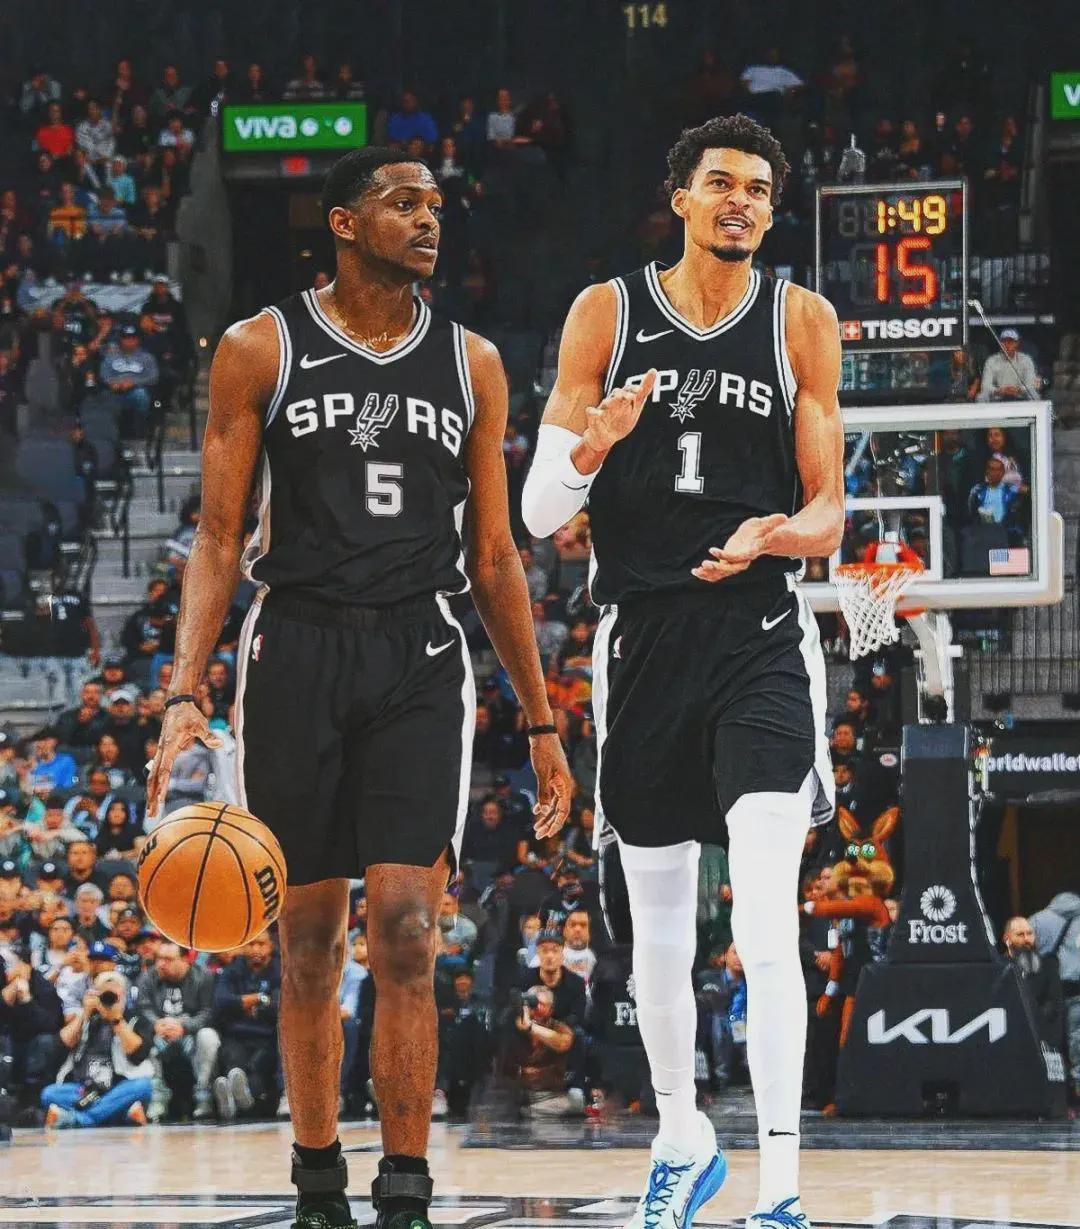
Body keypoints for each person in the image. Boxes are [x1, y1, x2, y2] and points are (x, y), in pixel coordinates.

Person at [145, 146, 572, 1229]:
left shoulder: (473, 362)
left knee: (409, 930)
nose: (429, 220)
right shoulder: (260, 346)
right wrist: (184, 690)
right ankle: (317, 1180)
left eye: (436, 205)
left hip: (418, 652)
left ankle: (407, 1192)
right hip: (295, 645)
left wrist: (541, 717)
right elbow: (219, 534)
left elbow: (495, 555)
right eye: (403, 203)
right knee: (306, 942)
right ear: (343, 221)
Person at [522, 113, 842, 1229]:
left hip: (760, 636)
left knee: (765, 918)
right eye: (721, 182)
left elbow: (830, 511)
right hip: (642, 641)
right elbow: (538, 511)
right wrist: (593, 444)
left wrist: (778, 534)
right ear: (681, 197)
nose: (741, 199)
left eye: (758, 187)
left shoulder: (799, 319)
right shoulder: (606, 313)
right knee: (657, 941)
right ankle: (681, 1137)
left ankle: (782, 1190)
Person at [41, 968, 153, 1127]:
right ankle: (118, 1113)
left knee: (143, 1086)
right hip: (84, 1090)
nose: (109, 999)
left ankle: (78, 1120)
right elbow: (61, 1044)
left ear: (124, 995)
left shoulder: (134, 1019)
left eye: (114, 995)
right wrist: (84, 1014)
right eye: (105, 994)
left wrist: (116, 1019)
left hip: (118, 1086)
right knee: (49, 1093)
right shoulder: (88, 1018)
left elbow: (137, 1054)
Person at [136, 941, 219, 1121]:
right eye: (159, 958)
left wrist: (185, 1026)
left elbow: (208, 1012)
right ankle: (158, 1098)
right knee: (142, 1037)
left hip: (190, 1033)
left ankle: (203, 1096)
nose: (160, 964)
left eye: (168, 959)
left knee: (209, 1036)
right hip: (160, 1032)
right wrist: (156, 1024)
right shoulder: (148, 977)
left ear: (185, 959)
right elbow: (143, 1008)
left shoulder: (204, 977)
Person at [1003, 916, 1064, 1050]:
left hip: (1042, 1041)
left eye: (1030, 934)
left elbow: (1054, 1004)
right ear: (1007, 939)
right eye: (1020, 934)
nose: (1026, 939)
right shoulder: (1000, 969)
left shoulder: (1048, 966)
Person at [976, 329, 1038, 401]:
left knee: (1034, 394)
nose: (1007, 344)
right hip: (998, 396)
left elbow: (1031, 384)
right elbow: (985, 386)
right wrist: (999, 390)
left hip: (1020, 396)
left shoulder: (1026, 360)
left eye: (1010, 342)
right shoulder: (991, 361)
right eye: (1004, 341)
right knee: (981, 397)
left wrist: (1019, 389)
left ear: (1017, 343)